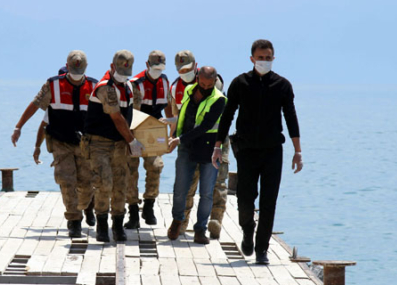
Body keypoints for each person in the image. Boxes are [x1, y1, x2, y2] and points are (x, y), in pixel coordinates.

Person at [213, 39, 303, 265]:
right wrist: (217, 146)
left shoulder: (283, 85)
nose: (264, 61)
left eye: (268, 58)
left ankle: (262, 249)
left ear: (273, 59)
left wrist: (297, 151)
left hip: (273, 151)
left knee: (269, 201)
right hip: (246, 150)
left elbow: (291, 117)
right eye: (260, 57)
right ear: (252, 58)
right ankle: (247, 230)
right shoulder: (240, 83)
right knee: (245, 198)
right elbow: (227, 116)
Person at [11, 51, 97, 237]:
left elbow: (109, 114)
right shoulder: (53, 85)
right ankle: (74, 220)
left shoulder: (94, 86)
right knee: (66, 180)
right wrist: (19, 127)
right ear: (66, 64)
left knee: (86, 182)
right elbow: (35, 105)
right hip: (60, 141)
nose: (76, 71)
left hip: (85, 143)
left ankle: (87, 207)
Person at [164, 51, 230, 238]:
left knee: (207, 191)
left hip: (210, 147)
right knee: (181, 188)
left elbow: (206, 125)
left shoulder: (219, 99)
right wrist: (173, 136)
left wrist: (180, 139)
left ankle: (201, 228)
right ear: (197, 78)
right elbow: (182, 117)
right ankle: (177, 220)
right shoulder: (187, 90)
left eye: (209, 85)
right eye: (202, 84)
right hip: (186, 145)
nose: (206, 87)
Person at [83, 50, 143, 242]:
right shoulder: (104, 88)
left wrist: (134, 139)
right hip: (99, 143)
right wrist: (132, 141)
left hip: (119, 144)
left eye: (127, 73)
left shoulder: (129, 88)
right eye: (120, 71)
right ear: (111, 67)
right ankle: (102, 225)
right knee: (103, 183)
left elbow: (132, 117)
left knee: (121, 184)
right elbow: (117, 118)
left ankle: (118, 224)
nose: (123, 76)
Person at [124, 50, 170, 229]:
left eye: (161, 67)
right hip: (134, 131)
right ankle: (133, 211)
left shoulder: (165, 81)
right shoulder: (135, 84)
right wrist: (130, 140)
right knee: (130, 173)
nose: (157, 70)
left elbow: (168, 107)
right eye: (154, 67)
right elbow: (131, 113)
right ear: (147, 65)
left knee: (156, 167)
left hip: (155, 132)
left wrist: (170, 130)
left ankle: (149, 205)